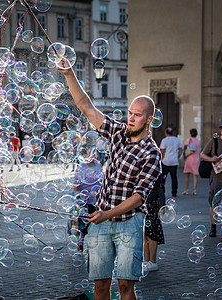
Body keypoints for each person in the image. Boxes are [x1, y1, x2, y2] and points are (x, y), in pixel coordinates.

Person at [58, 64, 161, 300]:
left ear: (150, 119)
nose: (131, 118)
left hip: (130, 222)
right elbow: (86, 107)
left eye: (137, 115)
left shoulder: (152, 154)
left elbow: (139, 197)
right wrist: (69, 74)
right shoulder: (118, 133)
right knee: (100, 285)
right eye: (130, 113)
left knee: (125, 285)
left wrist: (107, 214)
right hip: (102, 222)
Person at [143, 175, 165, 272]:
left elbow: (161, 192)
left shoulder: (155, 178)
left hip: (152, 208)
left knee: (152, 236)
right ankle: (146, 261)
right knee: (144, 236)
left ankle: (153, 261)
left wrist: (162, 207)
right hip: (143, 208)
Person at [159, 127, 182, 197]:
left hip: (166, 161)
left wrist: (161, 159)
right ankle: (174, 192)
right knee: (174, 177)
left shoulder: (164, 140)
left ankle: (162, 190)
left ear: (166, 133)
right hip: (174, 161)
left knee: (163, 177)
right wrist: (177, 157)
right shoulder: (177, 140)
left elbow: (162, 151)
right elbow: (180, 150)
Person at [183, 128, 201, 195]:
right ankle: (194, 190)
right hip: (196, 159)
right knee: (195, 175)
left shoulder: (189, 140)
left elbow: (185, 147)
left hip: (189, 159)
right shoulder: (198, 141)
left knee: (187, 175)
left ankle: (186, 190)